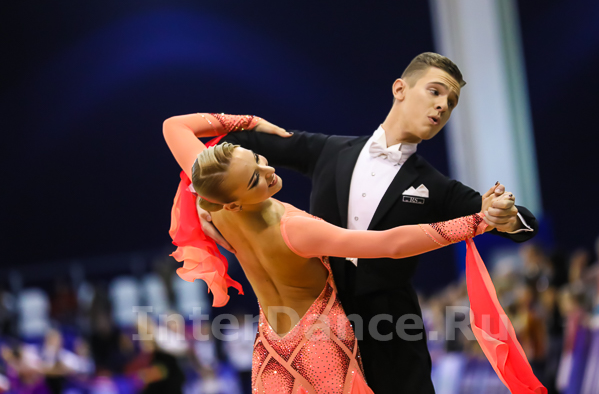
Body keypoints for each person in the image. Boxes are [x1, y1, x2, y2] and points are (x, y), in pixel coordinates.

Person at [203, 52, 539, 394]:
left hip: (394, 331)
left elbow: (524, 224)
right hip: (321, 330)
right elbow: (228, 149)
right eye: (435, 91)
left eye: (451, 102)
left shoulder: (435, 186)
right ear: (400, 89)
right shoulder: (328, 151)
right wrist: (202, 203)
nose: (443, 106)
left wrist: (505, 216)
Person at [163, 112, 514, 393]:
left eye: (257, 159)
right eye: (255, 179)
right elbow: (391, 245)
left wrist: (250, 122)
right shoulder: (293, 229)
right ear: (235, 203)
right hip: (321, 346)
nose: (268, 171)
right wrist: (477, 222)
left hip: (270, 348)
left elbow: (173, 126)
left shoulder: (215, 194)